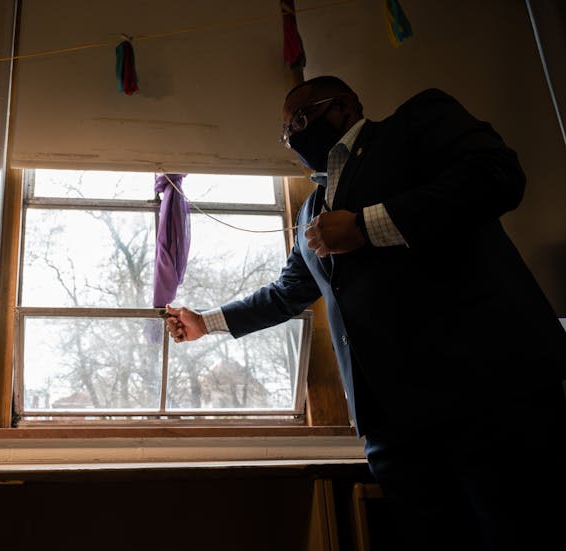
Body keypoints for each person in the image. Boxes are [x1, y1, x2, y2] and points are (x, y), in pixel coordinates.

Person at [165, 75, 566, 551]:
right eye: (285, 133)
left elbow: (496, 174)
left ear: (345, 106)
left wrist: (368, 226)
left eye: (300, 119)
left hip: (485, 392)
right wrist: (206, 322)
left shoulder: (415, 124)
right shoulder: (313, 208)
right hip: (392, 428)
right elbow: (288, 292)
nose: (293, 136)